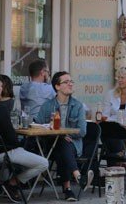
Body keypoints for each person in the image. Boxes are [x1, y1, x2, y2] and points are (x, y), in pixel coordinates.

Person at [0, 73, 48, 201]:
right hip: (3, 153)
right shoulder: (0, 109)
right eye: (1, 87)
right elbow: (11, 137)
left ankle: (5, 186)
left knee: (15, 158)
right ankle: (11, 184)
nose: (1, 89)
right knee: (43, 163)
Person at [35, 72, 91, 201]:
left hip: (73, 145)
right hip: (50, 144)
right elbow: (38, 125)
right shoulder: (47, 105)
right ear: (57, 86)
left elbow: (82, 131)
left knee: (63, 145)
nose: (70, 84)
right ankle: (76, 178)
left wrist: (64, 134)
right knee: (61, 143)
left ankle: (68, 188)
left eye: (71, 81)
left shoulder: (78, 105)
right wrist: (58, 134)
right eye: (66, 82)